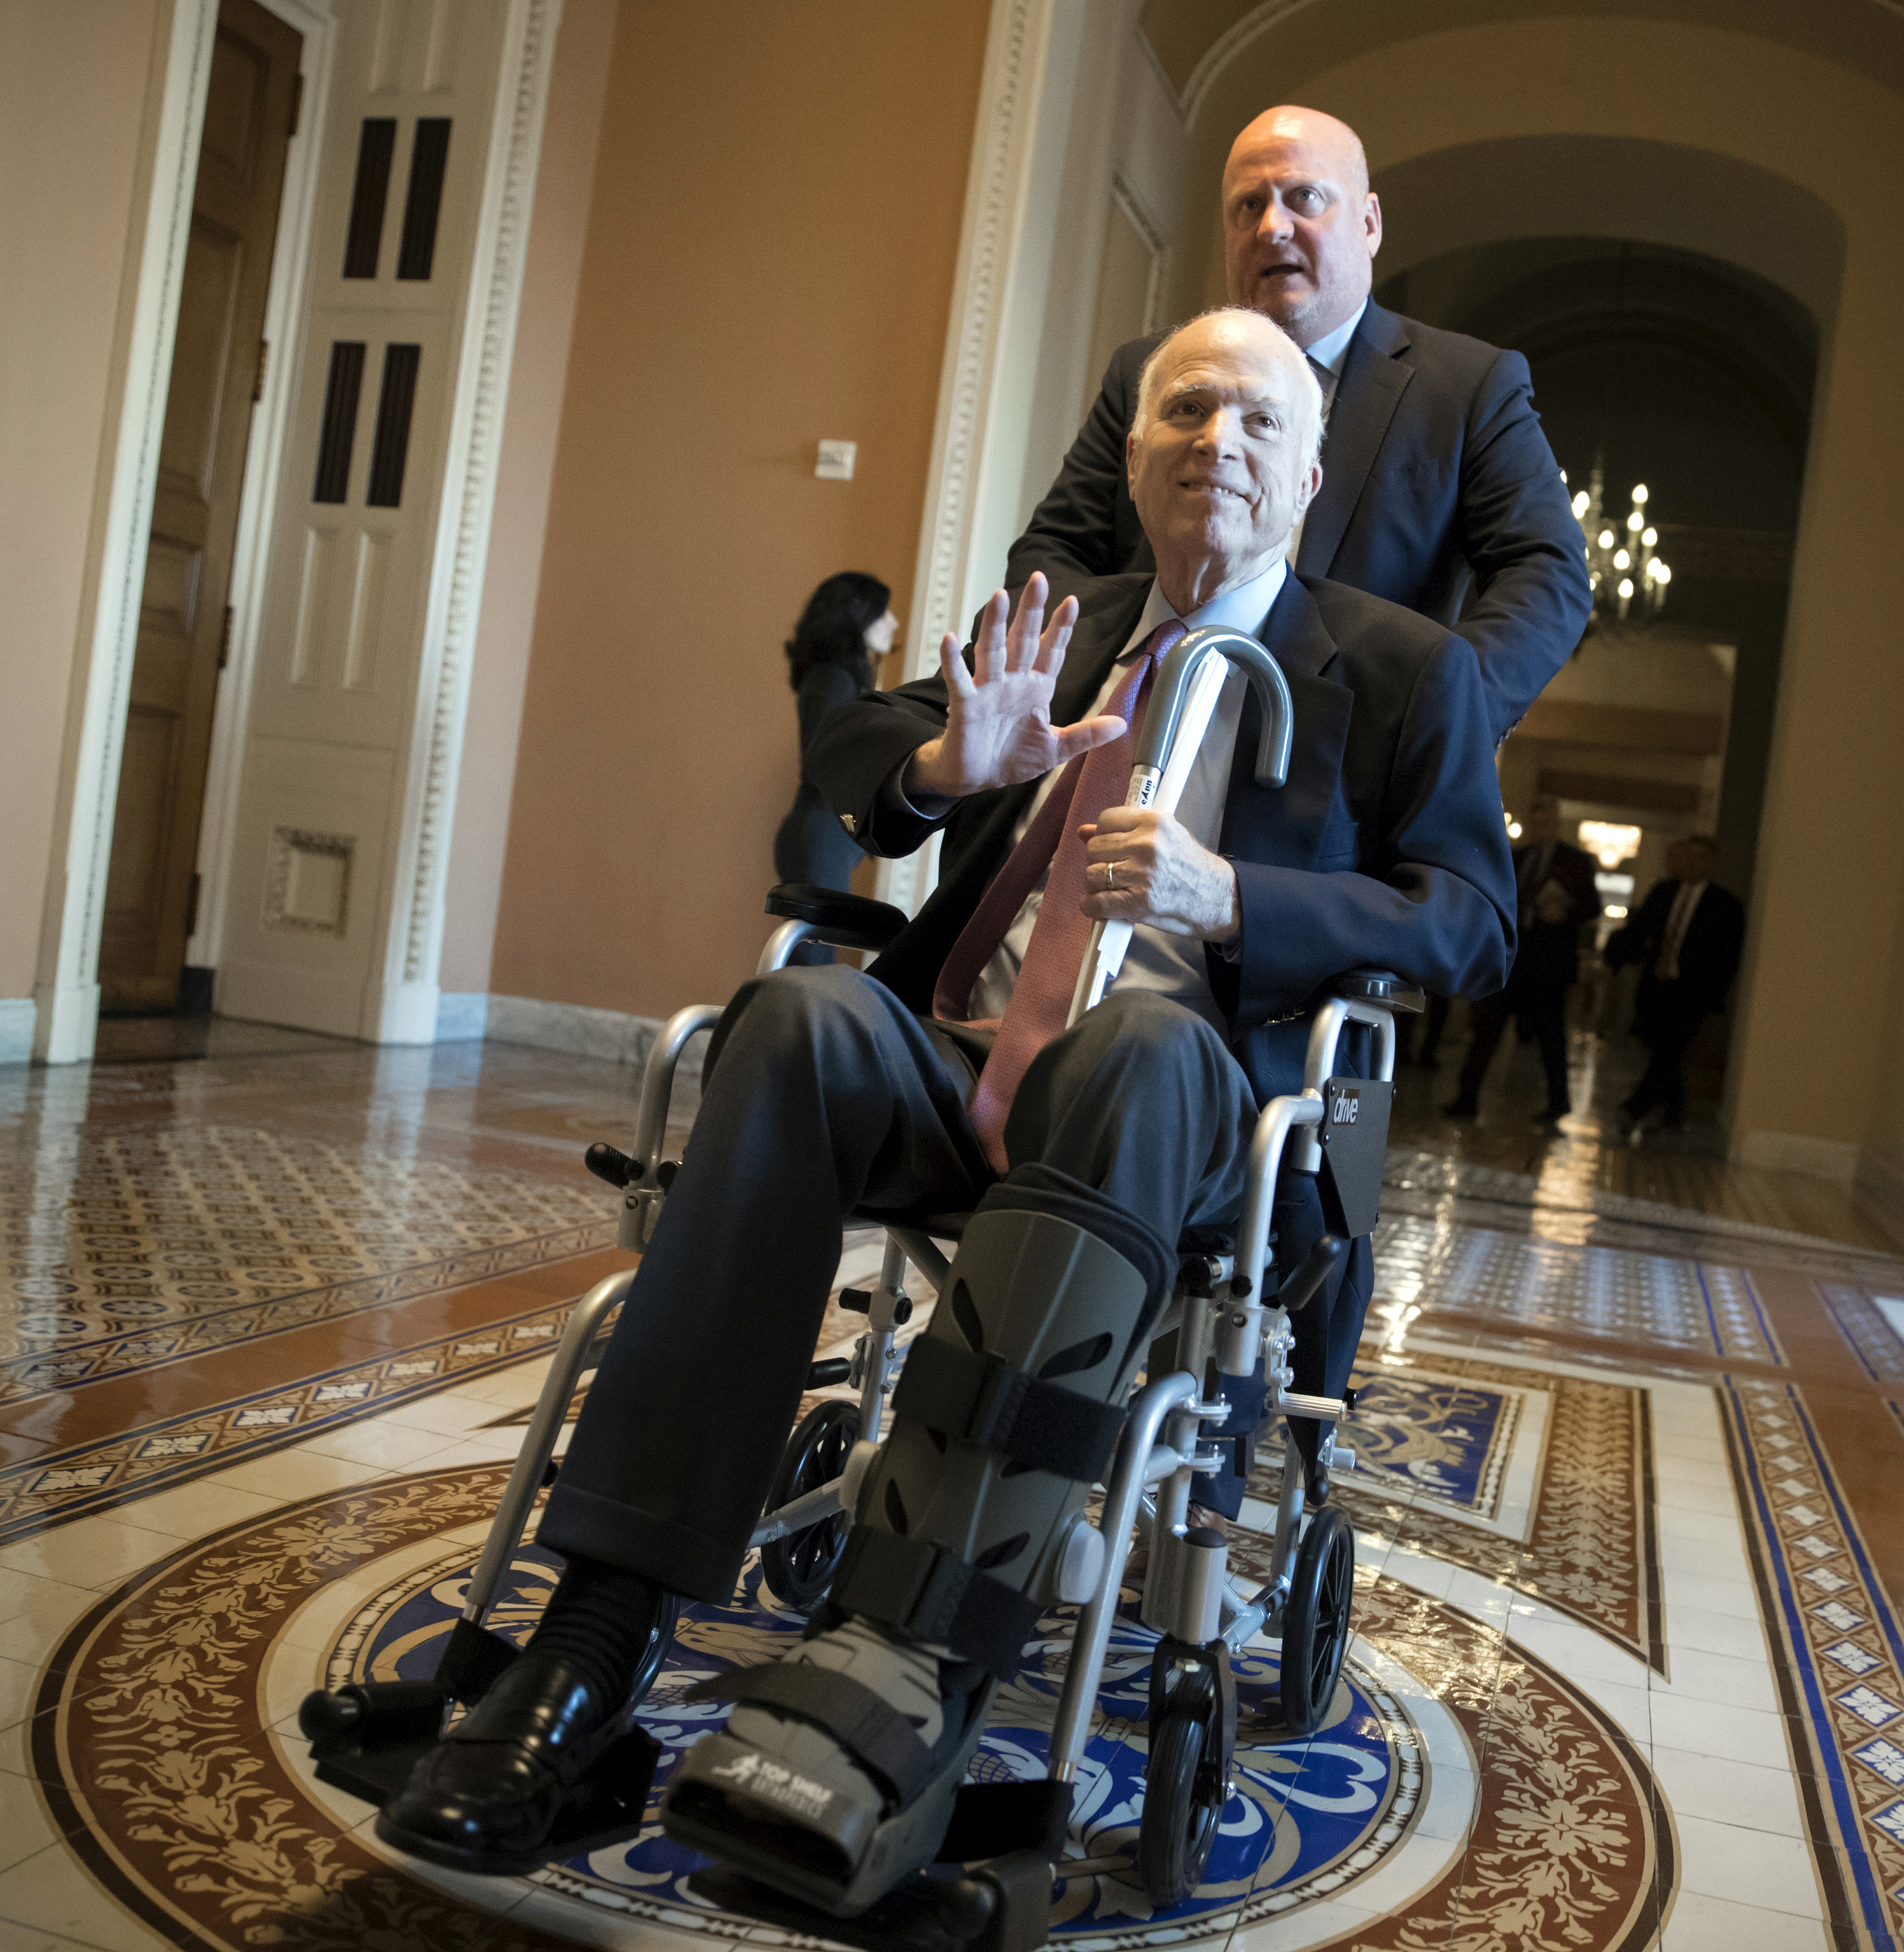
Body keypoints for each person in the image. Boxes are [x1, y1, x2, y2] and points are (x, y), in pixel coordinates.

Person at [368, 307, 1516, 1917]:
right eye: (1186, 411)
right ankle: (589, 1643)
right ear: (1131, 458)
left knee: (1131, 1049)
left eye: (1260, 420)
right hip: (962, 1063)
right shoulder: (1067, 618)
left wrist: (1236, 895)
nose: (1219, 444)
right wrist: (932, 770)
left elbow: (1471, 918)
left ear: (1312, 471)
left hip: (1175, 1108)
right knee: (796, 1015)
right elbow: (854, 739)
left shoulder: (1401, 671)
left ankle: (904, 1665)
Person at [1006, 104, 1590, 741]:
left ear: (1368, 223)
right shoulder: (1150, 374)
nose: (1271, 227)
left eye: (1303, 198)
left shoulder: (1467, 386)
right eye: (1248, 206)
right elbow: (1053, 552)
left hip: (1344, 762)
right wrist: (1105, 673)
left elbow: (1546, 572)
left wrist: (1438, 717)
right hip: (1145, 728)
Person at [1441, 797, 1600, 1124]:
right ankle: (1466, 1099)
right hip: (1512, 961)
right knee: (1486, 1032)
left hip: (1548, 966)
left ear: (1556, 825)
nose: (1538, 829)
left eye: (1545, 823)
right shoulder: (1516, 858)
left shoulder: (1576, 861)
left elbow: (1591, 907)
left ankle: (1558, 1105)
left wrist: (1565, 908)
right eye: (1534, 823)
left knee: (1551, 1040)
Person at [772, 573, 897, 963]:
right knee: (810, 974)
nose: (893, 622)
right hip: (818, 836)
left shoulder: (839, 678)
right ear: (858, 618)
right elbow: (824, 761)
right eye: (883, 612)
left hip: (822, 836)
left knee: (809, 971)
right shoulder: (832, 678)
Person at [1605, 834, 1745, 1138]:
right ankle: (1674, 1116)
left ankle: (1636, 1107)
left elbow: (1727, 957)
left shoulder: (1725, 906)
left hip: (1692, 993)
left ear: (1711, 863)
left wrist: (1713, 995)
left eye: (1700, 857)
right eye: (1689, 855)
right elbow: (1641, 929)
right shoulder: (1663, 892)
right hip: (1658, 987)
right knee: (1668, 1053)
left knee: (1669, 1050)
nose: (1693, 862)